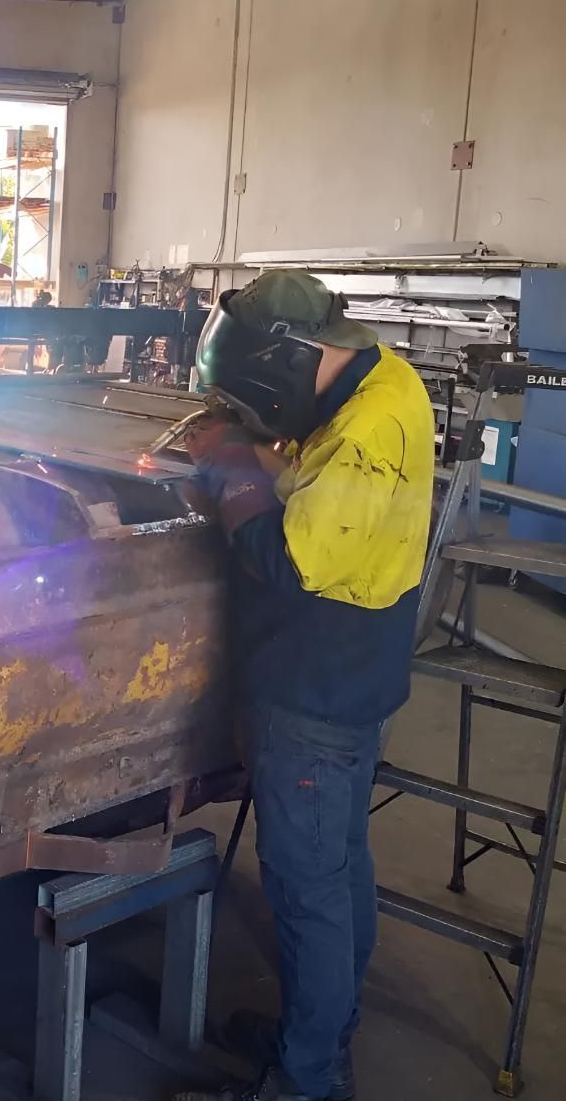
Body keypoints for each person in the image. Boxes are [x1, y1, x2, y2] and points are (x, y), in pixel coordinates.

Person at [176, 271, 434, 1101]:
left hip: (315, 689)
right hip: (362, 669)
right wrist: (259, 450)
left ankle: (307, 1079)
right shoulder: (388, 380)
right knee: (339, 869)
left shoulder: (364, 432)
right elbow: (316, 485)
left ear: (286, 357)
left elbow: (286, 563)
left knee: (307, 890)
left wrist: (229, 467)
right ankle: (321, 1036)